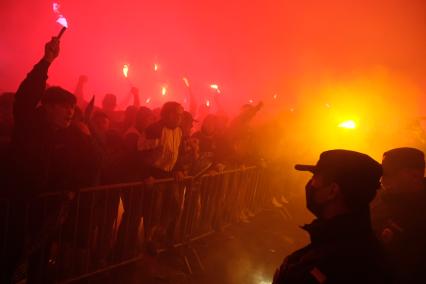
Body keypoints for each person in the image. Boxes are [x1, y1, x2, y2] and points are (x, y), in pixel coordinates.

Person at [273, 150, 391, 284]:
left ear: (332, 191)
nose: (310, 185)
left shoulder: (339, 261)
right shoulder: (356, 243)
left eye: (315, 178)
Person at [371, 147, 426, 283]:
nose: (383, 180)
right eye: (382, 174)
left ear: (415, 175)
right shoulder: (378, 204)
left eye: (389, 174)